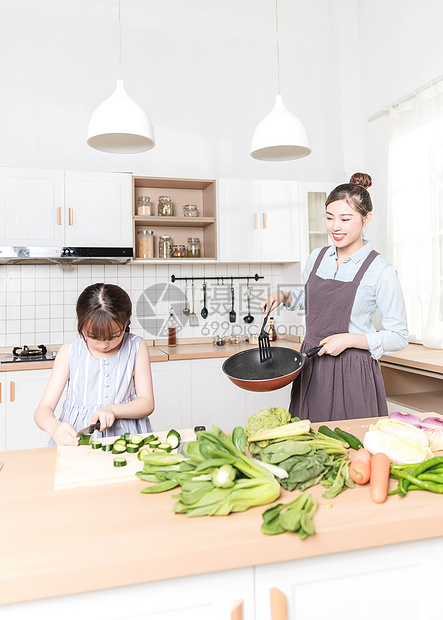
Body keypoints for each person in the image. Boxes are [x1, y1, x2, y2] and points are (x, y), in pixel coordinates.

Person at [260, 172, 408, 423]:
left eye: (345, 219)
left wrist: (349, 340)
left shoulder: (380, 270)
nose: (335, 227)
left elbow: (399, 336)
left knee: (351, 445)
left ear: (366, 219)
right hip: (311, 366)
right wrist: (283, 296)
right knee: (309, 444)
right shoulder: (317, 256)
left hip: (352, 369)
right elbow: (307, 297)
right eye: (329, 218)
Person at [35, 283, 155, 446]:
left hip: (125, 438)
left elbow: (147, 402)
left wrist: (113, 410)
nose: (104, 345)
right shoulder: (70, 351)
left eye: (113, 336)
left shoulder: (136, 346)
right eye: (93, 336)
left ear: (126, 322)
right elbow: (43, 410)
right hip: (77, 440)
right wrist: (54, 427)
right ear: (81, 323)